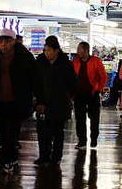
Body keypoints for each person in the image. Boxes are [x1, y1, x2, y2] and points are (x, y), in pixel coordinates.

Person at [0, 27, 36, 174]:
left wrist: (36, 98)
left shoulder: (25, 58)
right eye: (1, 41)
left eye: (7, 41)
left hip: (17, 103)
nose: (3, 44)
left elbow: (34, 80)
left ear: (14, 42)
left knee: (12, 134)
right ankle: (9, 159)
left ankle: (8, 160)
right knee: (2, 133)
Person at [33, 36, 77, 165]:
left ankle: (56, 157)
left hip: (60, 103)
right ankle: (43, 156)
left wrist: (69, 96)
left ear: (57, 50)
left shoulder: (66, 64)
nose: (47, 53)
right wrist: (37, 101)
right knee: (42, 131)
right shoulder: (40, 62)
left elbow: (73, 83)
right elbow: (36, 83)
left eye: (49, 50)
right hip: (43, 103)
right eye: (45, 50)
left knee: (57, 132)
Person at [72, 41, 107, 149]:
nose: (77, 51)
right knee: (79, 119)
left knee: (94, 118)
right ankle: (82, 141)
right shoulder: (76, 61)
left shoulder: (96, 61)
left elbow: (103, 77)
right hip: (79, 94)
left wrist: (98, 89)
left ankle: (94, 140)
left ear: (86, 50)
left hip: (92, 93)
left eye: (79, 49)